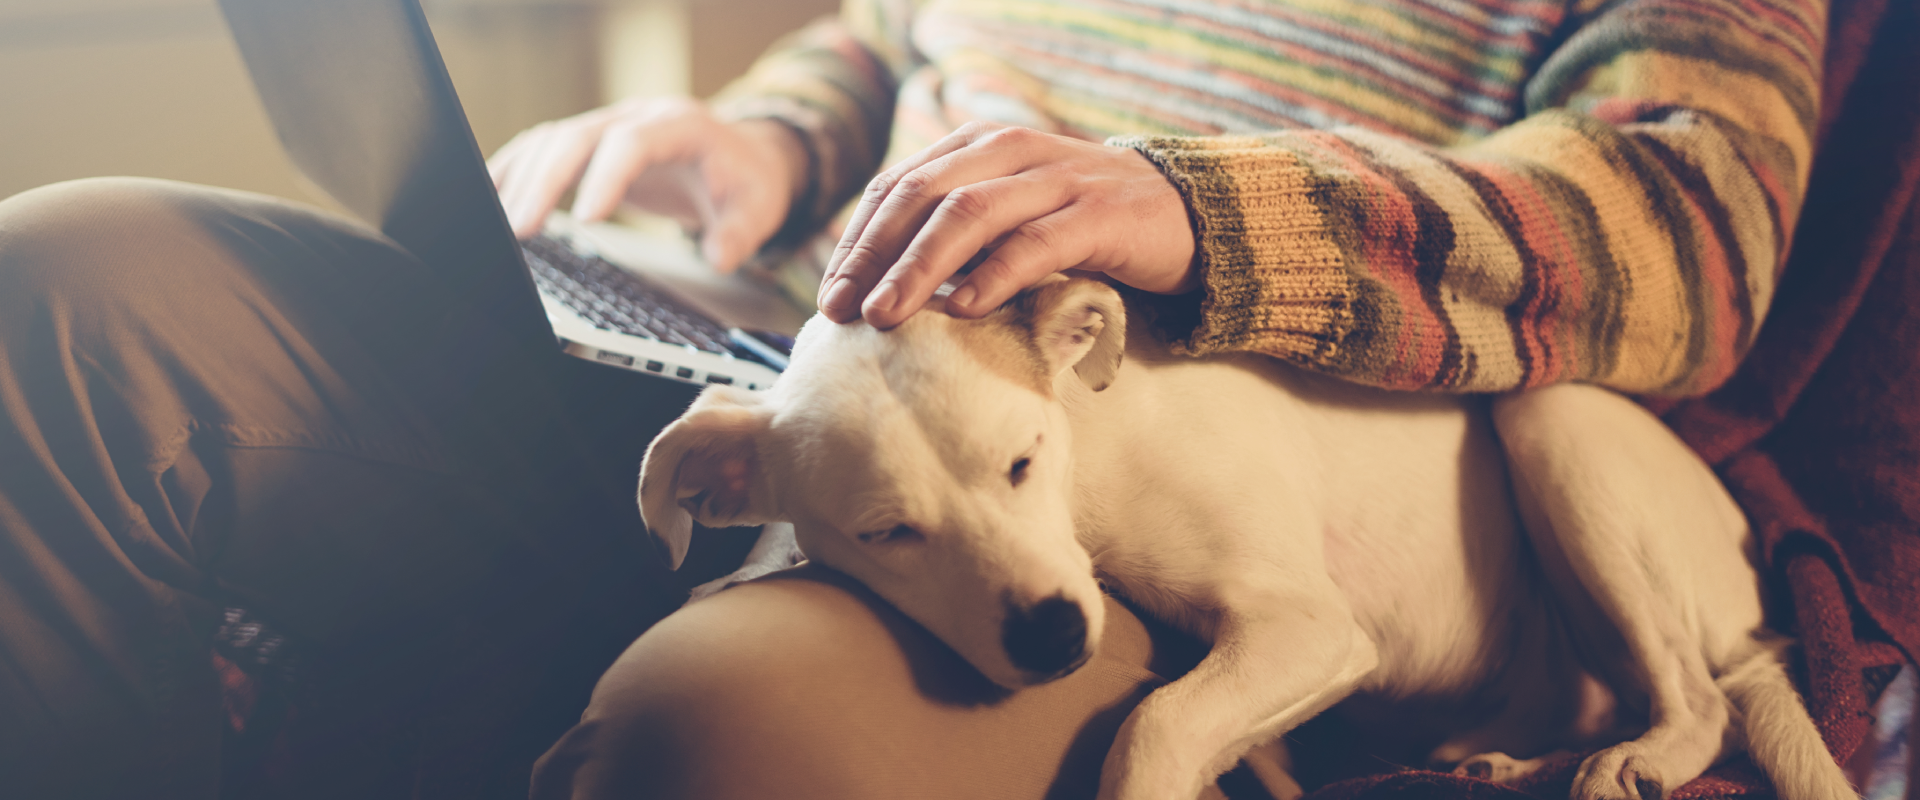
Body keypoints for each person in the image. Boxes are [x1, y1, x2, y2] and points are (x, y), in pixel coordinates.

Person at [0, 0, 1824, 797]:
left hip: (1122, 484)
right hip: (773, 360)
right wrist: (773, 142)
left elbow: (1693, 217)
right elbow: (898, 41)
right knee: (76, 283)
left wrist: (1196, 213)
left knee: (731, 732)